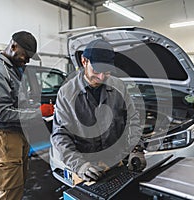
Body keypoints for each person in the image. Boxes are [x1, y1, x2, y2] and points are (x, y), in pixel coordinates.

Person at [50, 39, 144, 182]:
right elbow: (60, 135)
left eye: (106, 72)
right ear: (84, 61)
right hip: (85, 167)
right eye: (97, 70)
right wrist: (80, 166)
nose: (101, 77)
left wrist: (136, 149)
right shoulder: (66, 94)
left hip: (115, 162)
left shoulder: (119, 86)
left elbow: (132, 119)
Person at [0, 31, 41, 200]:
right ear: (13, 46)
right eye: (25, 56)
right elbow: (2, 113)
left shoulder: (13, 69)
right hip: (4, 136)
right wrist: (37, 114)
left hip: (16, 133)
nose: (26, 60)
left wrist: (33, 107)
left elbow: (16, 102)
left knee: (18, 183)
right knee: (9, 189)